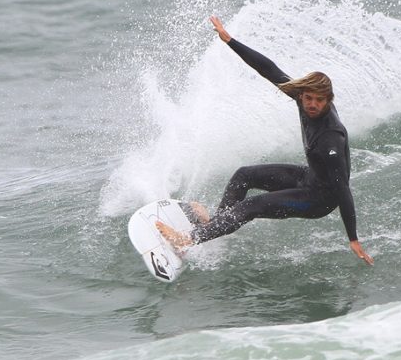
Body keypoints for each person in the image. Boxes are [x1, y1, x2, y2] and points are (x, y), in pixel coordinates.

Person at [156, 15, 373, 265]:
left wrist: (353, 238)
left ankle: (188, 239)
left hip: (318, 200)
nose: (312, 105)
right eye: (308, 98)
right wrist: (229, 41)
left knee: (250, 207)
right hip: (308, 178)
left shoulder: (330, 137)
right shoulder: (301, 98)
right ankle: (213, 225)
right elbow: (268, 69)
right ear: (301, 94)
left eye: (319, 100)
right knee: (243, 175)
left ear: (328, 99)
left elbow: (342, 189)